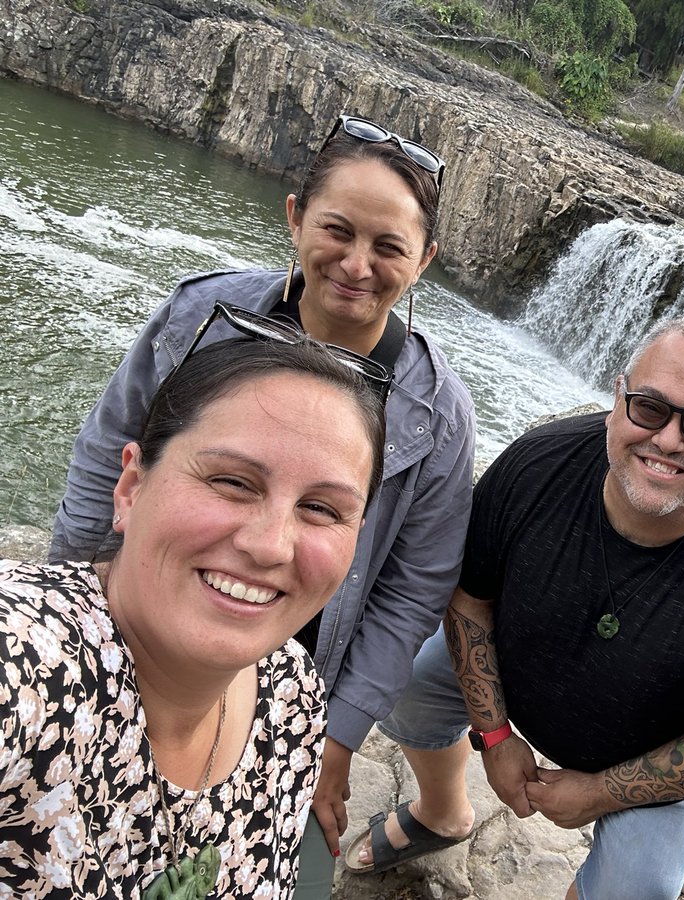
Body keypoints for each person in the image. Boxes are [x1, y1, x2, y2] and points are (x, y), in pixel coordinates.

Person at [48, 113, 475, 894]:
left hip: (300, 676)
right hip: (144, 630)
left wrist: (336, 738)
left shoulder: (439, 415)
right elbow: (105, 459)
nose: (356, 265)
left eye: (389, 248)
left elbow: (413, 590)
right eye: (337, 230)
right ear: (294, 217)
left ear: (426, 261)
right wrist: (76, 614)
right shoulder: (194, 319)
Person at [346, 317, 684, 900]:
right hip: (521, 665)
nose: (668, 440)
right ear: (616, 402)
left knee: (632, 893)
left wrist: (597, 794)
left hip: (657, 747)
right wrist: (495, 737)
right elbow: (470, 600)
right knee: (410, 678)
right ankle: (443, 812)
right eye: (649, 408)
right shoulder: (536, 466)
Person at [1, 335, 386, 897]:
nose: (270, 545)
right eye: (232, 482)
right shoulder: (30, 660)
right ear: (131, 487)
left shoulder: (292, 695)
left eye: (322, 509)